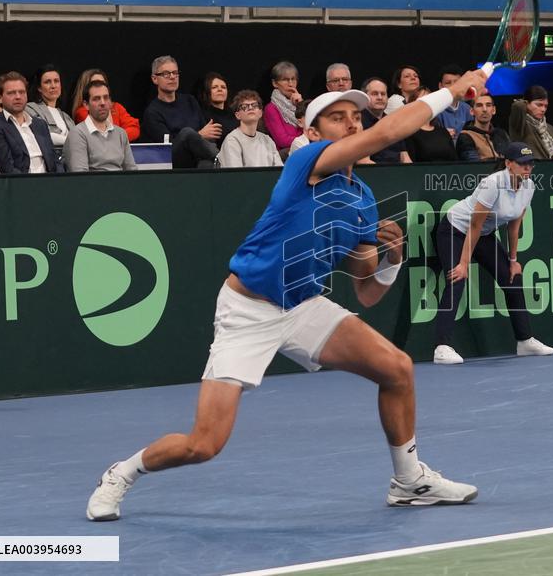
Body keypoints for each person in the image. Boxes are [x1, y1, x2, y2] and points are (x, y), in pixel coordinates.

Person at [85, 69, 488, 522]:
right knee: (205, 444)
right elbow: (389, 131)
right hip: (247, 310)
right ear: (313, 133)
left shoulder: (361, 199)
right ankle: (122, 472)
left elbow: (366, 289)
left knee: (396, 370)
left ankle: (409, 481)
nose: (352, 124)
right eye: (338, 118)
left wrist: (391, 257)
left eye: (356, 116)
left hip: (302, 306)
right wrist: (451, 91)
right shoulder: (307, 163)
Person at [432, 142, 553, 364]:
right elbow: (474, 225)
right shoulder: (493, 184)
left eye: (530, 164)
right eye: (522, 163)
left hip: (484, 235)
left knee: (512, 277)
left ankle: (524, 341)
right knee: (456, 279)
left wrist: (513, 260)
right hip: (455, 230)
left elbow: (514, 225)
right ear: (508, 164)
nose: (527, 168)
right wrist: (463, 263)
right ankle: (442, 347)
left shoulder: (529, 187)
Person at [141, 56, 222, 169]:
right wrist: (199, 135)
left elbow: (209, 134)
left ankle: (220, 162)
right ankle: (222, 158)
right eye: (166, 74)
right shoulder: (152, 112)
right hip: (173, 162)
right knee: (187, 133)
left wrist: (200, 136)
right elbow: (168, 147)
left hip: (198, 157)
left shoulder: (190, 101)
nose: (172, 77)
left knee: (207, 164)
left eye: (175, 73)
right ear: (155, 79)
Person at [0, 71, 63, 174]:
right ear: (0, 98)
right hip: (22, 184)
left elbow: (55, 161)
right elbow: (6, 167)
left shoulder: (40, 124)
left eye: (22, 92)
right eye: (11, 93)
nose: (18, 97)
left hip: (50, 182)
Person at [63, 80, 137, 172]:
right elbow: (80, 177)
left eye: (106, 98)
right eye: (96, 99)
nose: (102, 103)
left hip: (121, 184)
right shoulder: (78, 134)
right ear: (86, 105)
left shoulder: (121, 133)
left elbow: (132, 171)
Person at [70, 68, 141, 142]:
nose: (100, 87)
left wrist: (117, 138)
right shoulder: (82, 111)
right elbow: (101, 134)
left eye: (102, 83)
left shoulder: (117, 107)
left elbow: (134, 128)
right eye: (95, 84)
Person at [217, 90, 283, 168]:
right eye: (244, 107)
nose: (250, 108)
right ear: (238, 115)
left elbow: (278, 171)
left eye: (254, 105)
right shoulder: (232, 140)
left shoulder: (267, 140)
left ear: (260, 113)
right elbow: (235, 176)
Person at [509, 85, 553, 160]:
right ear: (527, 104)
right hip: (531, 168)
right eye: (539, 105)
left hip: (551, 168)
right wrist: (524, 101)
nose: (543, 109)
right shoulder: (521, 124)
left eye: (545, 106)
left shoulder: (548, 127)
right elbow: (517, 106)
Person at [25, 64, 75, 150]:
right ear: (39, 88)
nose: (53, 86)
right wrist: (73, 142)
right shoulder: (30, 109)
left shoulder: (66, 116)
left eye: (56, 81)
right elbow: (42, 135)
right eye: (47, 82)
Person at [363, 77, 411, 164]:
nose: (380, 97)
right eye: (374, 94)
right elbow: (363, 161)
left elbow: (405, 156)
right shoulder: (358, 122)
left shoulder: (394, 122)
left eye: (383, 94)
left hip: (398, 172)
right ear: (365, 97)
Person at [404, 86, 458, 162]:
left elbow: (455, 161)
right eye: (422, 100)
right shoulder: (409, 133)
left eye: (429, 100)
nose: (427, 104)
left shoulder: (443, 132)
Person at [263, 61, 304, 154]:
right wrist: (307, 139)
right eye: (285, 79)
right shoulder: (271, 108)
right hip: (285, 156)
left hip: (302, 150)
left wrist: (301, 105)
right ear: (275, 83)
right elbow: (282, 141)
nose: (291, 84)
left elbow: (314, 129)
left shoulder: (302, 104)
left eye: (293, 79)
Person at [456, 93, 510, 161]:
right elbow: (475, 165)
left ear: (494, 110)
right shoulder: (465, 136)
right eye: (479, 105)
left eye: (488, 105)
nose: (484, 109)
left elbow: (512, 159)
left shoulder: (501, 134)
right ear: (472, 111)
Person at [199, 72, 238, 145]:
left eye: (223, 87)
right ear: (206, 92)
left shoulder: (234, 115)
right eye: (214, 87)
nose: (220, 89)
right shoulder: (202, 114)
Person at [434, 64, 473, 139]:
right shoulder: (435, 109)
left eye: (457, 82)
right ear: (440, 86)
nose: (453, 86)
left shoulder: (467, 109)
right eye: (448, 83)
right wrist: (442, 134)